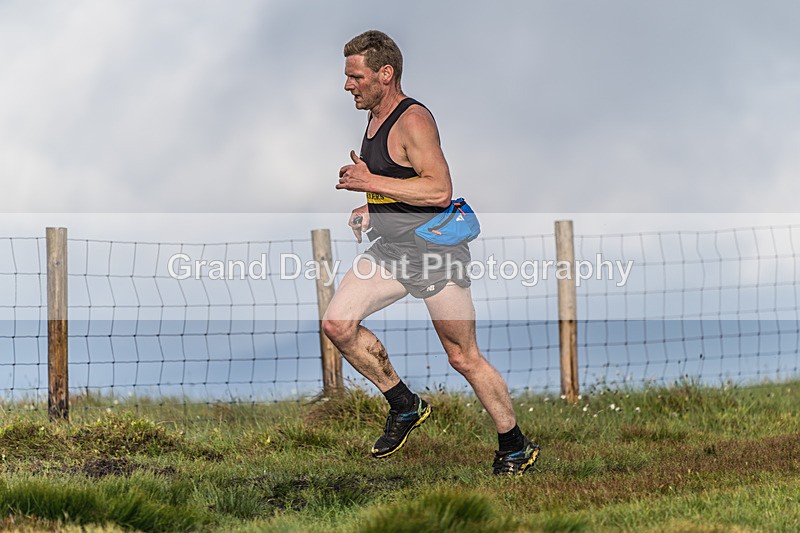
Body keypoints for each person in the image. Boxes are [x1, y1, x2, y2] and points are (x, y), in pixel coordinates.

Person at [322, 30, 539, 476]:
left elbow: (439, 190)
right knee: (337, 324)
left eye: (355, 76)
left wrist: (371, 185)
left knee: (462, 357)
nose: (348, 85)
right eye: (347, 76)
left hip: (436, 251)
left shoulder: (413, 120)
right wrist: (371, 206)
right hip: (394, 250)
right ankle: (404, 404)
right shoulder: (373, 120)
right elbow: (403, 182)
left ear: (386, 74)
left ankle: (514, 447)